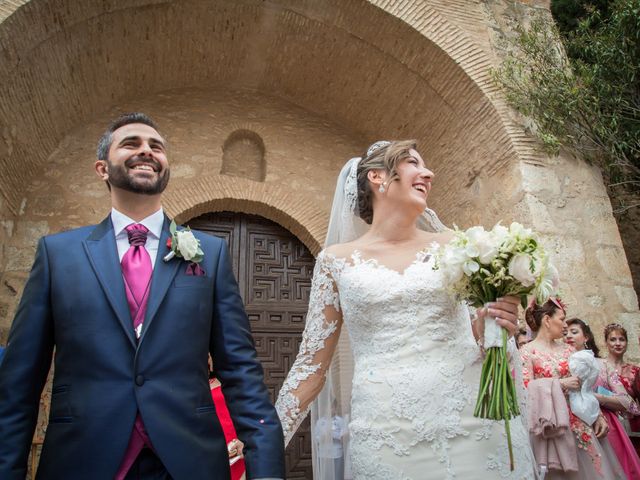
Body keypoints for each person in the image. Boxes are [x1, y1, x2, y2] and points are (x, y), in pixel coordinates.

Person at [0, 113, 285, 479]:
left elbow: (241, 371)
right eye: (131, 144)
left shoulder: (209, 254)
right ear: (102, 168)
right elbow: (19, 383)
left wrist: (267, 471)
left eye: (156, 147)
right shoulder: (58, 255)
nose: (146, 151)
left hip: (188, 462)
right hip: (83, 459)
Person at [275, 140, 537, 479]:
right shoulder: (335, 262)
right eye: (413, 163)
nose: (428, 173)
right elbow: (311, 368)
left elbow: (482, 339)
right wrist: (260, 442)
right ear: (377, 177)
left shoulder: (457, 247)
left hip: (473, 420)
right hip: (386, 433)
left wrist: (494, 323)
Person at [520, 301, 624, 479]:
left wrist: (597, 416)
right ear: (547, 320)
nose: (565, 324)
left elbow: (584, 388)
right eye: (562, 319)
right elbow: (525, 389)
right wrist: (560, 384)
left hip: (579, 421)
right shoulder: (526, 352)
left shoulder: (569, 350)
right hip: (551, 423)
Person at [565, 318, 640, 478]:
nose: (568, 336)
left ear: (586, 337)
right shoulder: (559, 365)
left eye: (574, 332)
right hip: (571, 427)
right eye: (565, 333)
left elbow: (627, 402)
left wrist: (592, 396)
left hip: (605, 427)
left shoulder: (602, 365)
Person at [603, 323, 640, 455]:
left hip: (631, 425)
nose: (617, 343)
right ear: (606, 343)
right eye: (613, 339)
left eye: (621, 339)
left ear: (627, 343)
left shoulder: (635, 371)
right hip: (607, 423)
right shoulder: (599, 367)